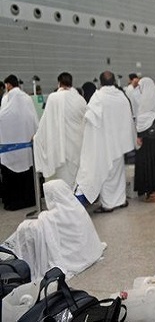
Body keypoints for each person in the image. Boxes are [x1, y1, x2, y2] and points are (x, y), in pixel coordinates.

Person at [2, 179, 106, 281]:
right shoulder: (76, 207)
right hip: (89, 253)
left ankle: (8, 251)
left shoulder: (52, 216)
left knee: (26, 229)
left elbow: (35, 229)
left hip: (71, 260)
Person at [76, 71, 136, 212]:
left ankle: (108, 204)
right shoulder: (121, 96)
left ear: (100, 82)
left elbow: (90, 117)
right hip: (119, 142)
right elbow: (128, 117)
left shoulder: (98, 97)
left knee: (106, 173)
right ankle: (120, 200)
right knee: (119, 172)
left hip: (104, 142)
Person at [33, 72, 87, 188]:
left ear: (59, 83)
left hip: (59, 148)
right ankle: (75, 202)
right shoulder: (80, 99)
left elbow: (45, 122)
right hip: (77, 146)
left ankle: (63, 203)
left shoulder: (53, 98)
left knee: (61, 181)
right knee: (74, 178)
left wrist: (37, 137)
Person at [0, 75, 39, 211]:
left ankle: (13, 202)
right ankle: (31, 199)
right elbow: (34, 118)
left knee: (11, 174)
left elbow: (3, 118)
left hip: (9, 146)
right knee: (27, 173)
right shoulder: (27, 98)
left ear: (8, 85)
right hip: (26, 145)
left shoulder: (7, 98)